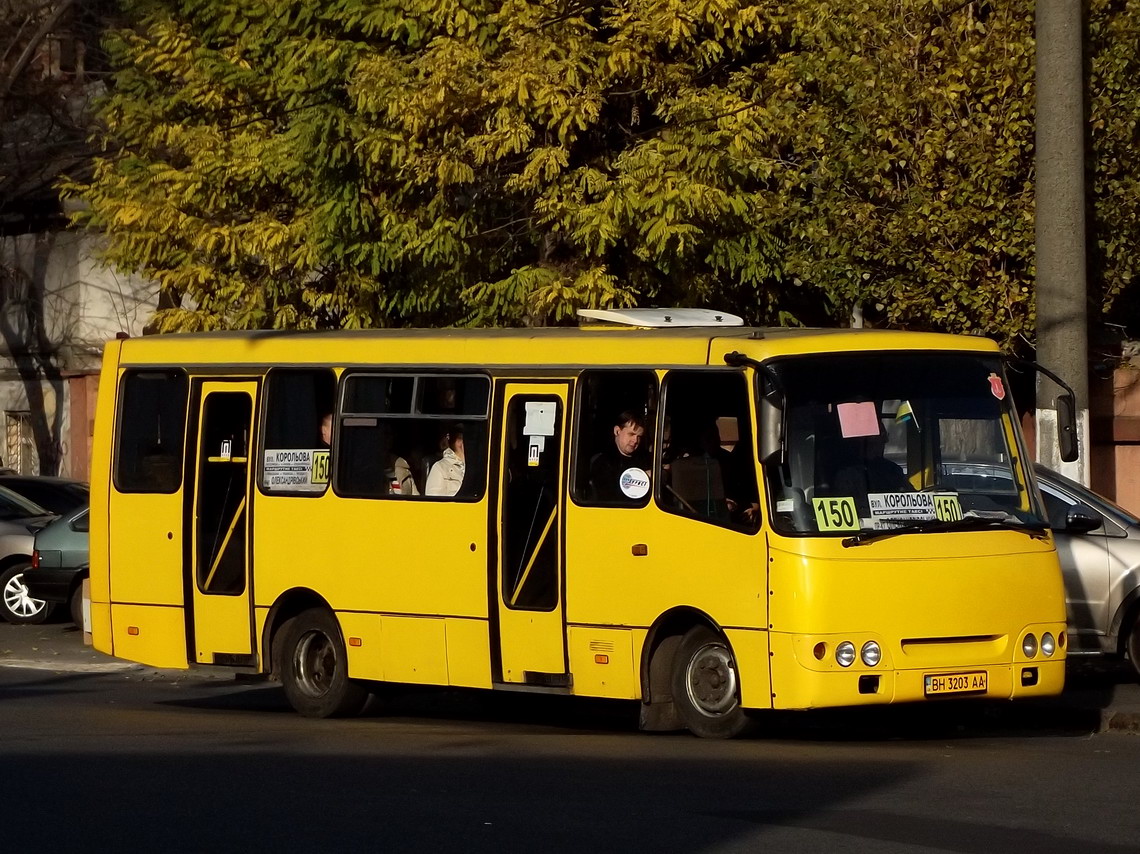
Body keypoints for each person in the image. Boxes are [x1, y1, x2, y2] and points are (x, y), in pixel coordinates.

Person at [588, 410, 651, 502]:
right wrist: (643, 477)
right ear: (617, 431)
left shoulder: (647, 460)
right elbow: (609, 497)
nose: (635, 440)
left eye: (639, 437)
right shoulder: (602, 463)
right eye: (631, 434)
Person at [426, 424, 466, 496]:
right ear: (452, 442)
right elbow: (433, 502)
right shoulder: (439, 468)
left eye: (465, 439)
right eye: (459, 439)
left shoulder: (477, 467)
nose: (463, 443)